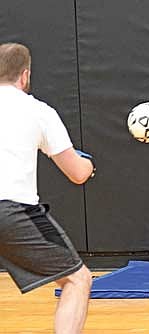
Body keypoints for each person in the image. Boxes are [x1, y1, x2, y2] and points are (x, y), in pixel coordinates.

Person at [0, 42, 94, 333]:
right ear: (25, 75)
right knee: (77, 280)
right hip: (11, 209)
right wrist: (88, 164)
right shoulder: (38, 111)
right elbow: (77, 173)